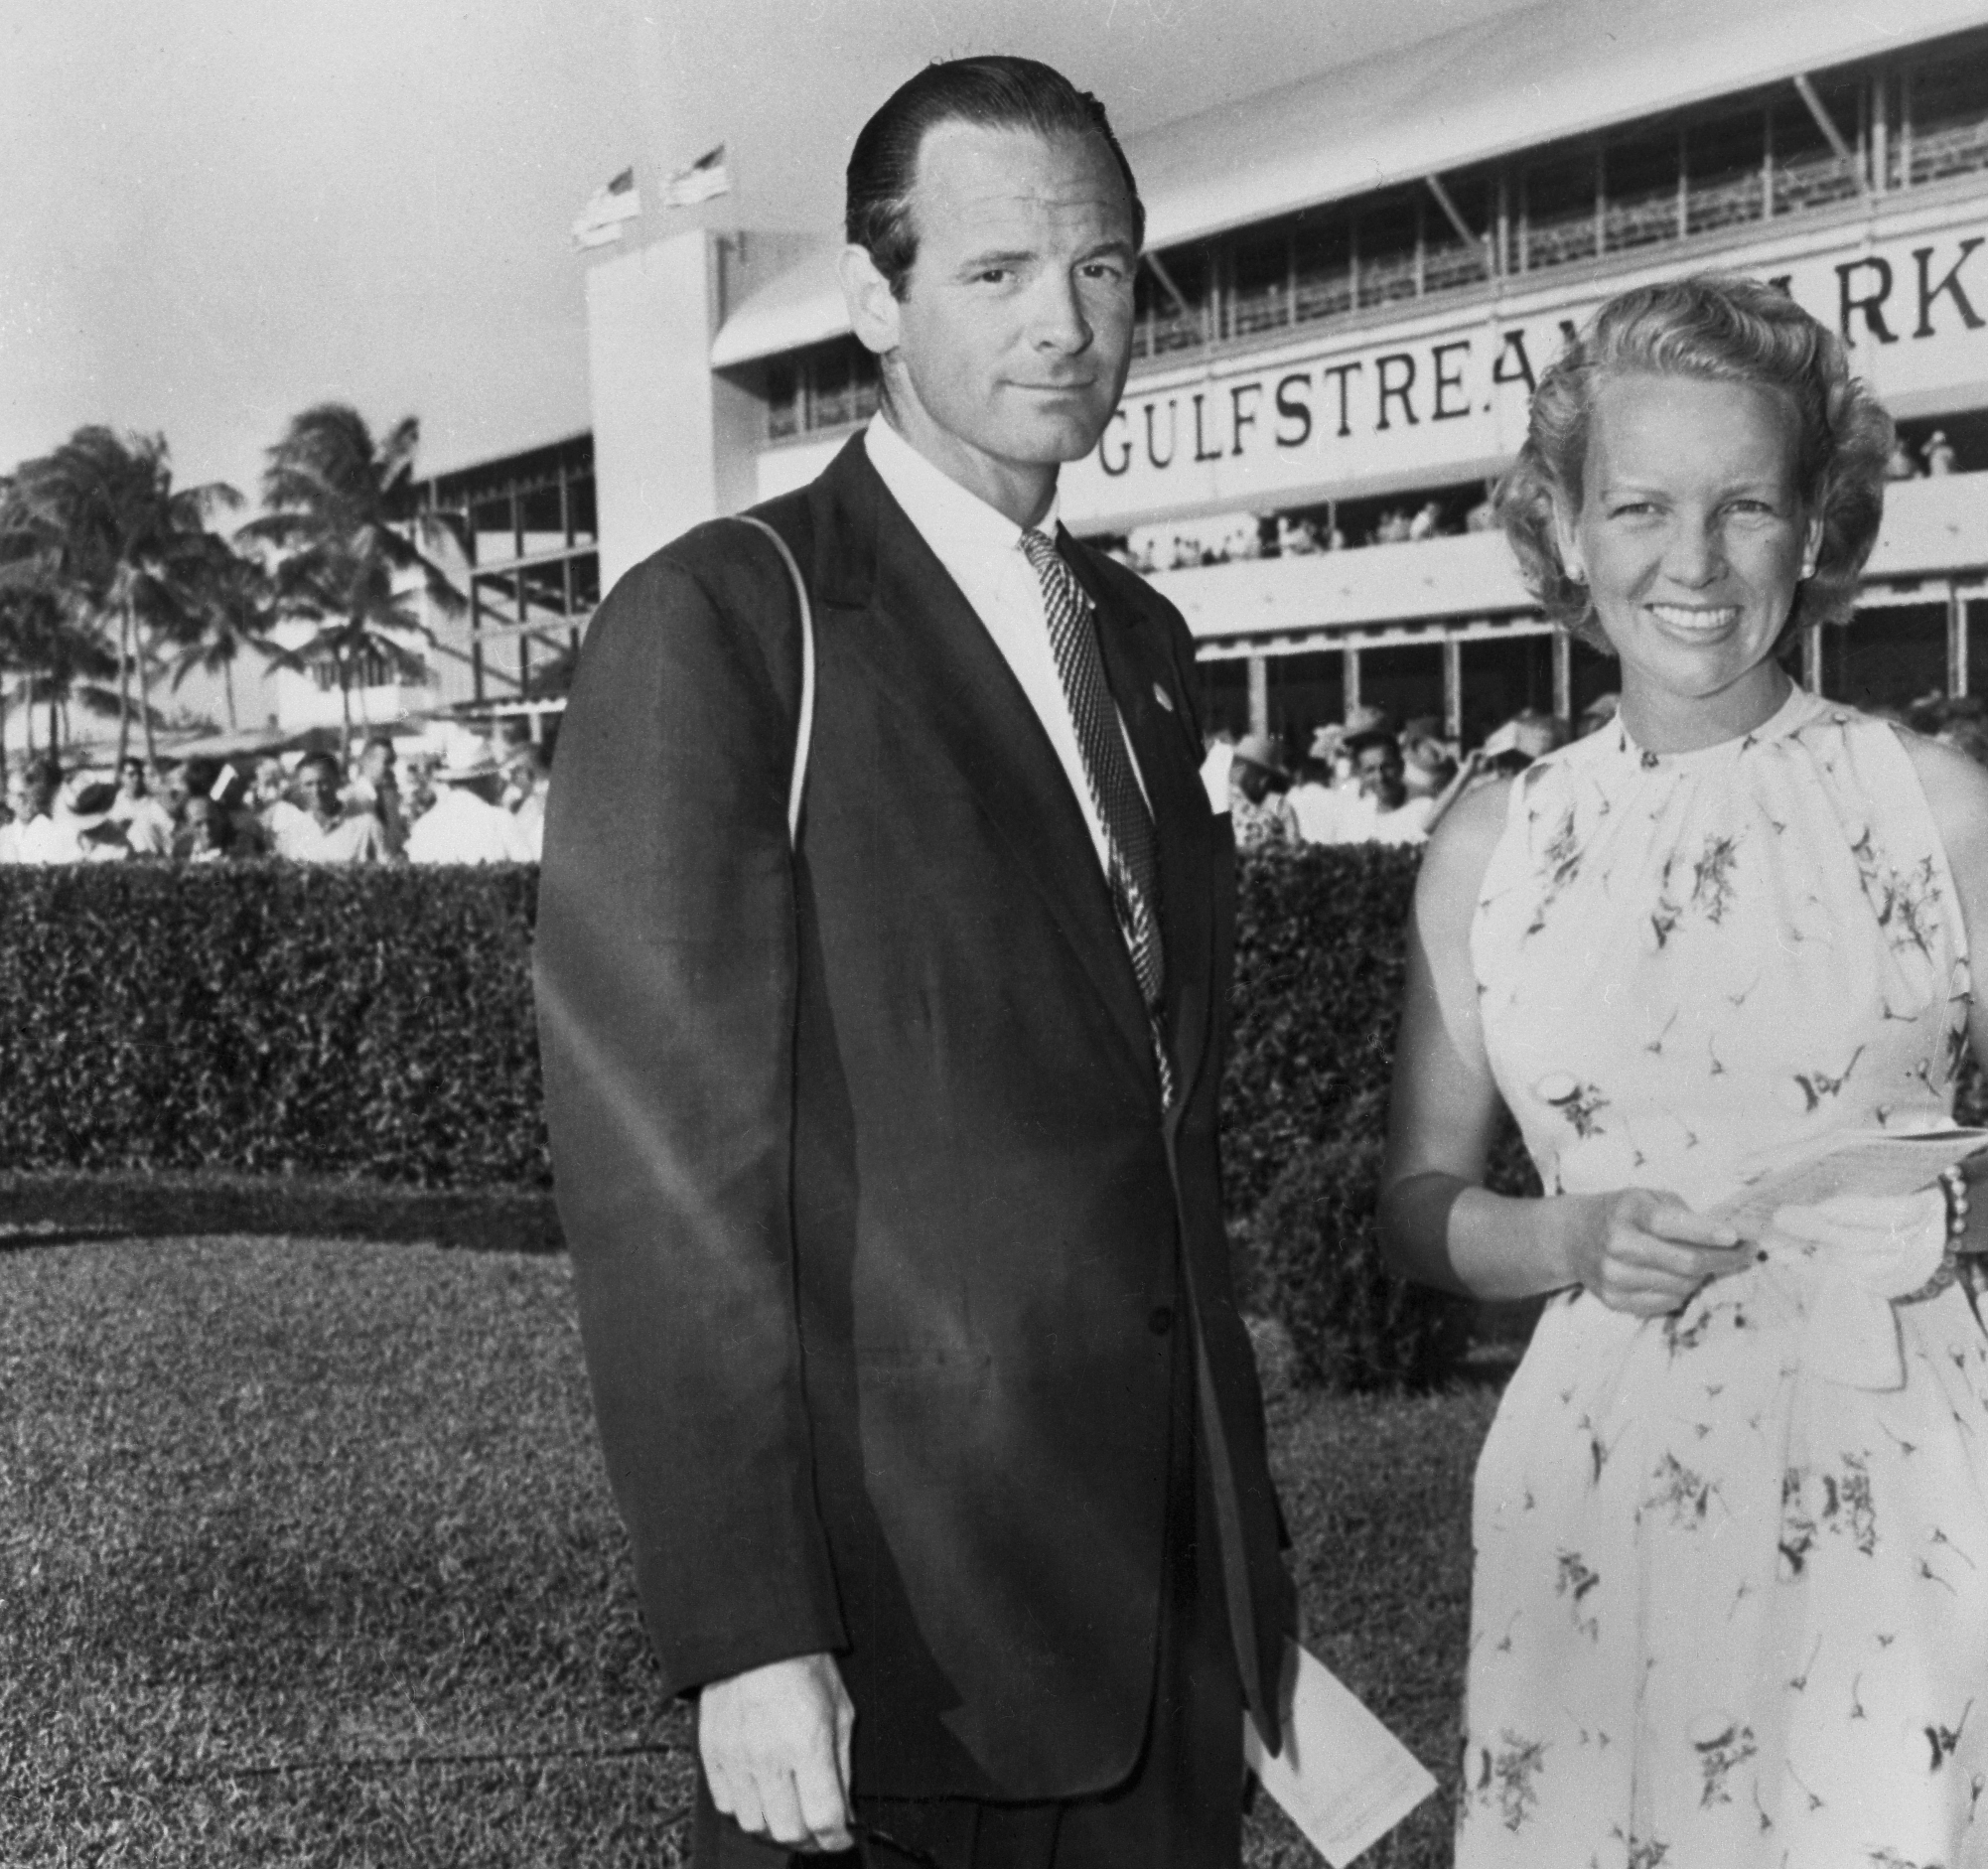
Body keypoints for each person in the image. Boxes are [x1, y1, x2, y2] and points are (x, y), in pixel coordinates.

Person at [533, 57, 1291, 1869]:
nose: (1063, 324)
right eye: (995, 272)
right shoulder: (726, 623)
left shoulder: (1136, 637)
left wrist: (1238, 1566)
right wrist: (746, 1628)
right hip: (898, 1650)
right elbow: (664, 1184)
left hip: (1161, 1624)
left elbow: (1151, 1131)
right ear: (873, 301)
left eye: (1099, 269)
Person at [1379, 274, 1988, 1867]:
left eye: (1745, 506)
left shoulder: (1936, 805)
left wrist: (1971, 1207)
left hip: (1887, 1475)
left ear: (1815, 526)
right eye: (1638, 505)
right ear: (1563, 527)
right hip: (1592, 1489)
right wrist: (1566, 1236)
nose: (1694, 561)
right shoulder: (1493, 841)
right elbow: (1417, 1201)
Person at [404, 752, 529, 864]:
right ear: (484, 781)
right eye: (495, 778)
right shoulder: (500, 820)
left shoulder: (423, 826)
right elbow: (528, 869)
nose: (498, 785)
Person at [273, 753, 390, 863]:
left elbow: (388, 870)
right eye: (308, 784)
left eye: (323, 782)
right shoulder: (293, 833)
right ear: (300, 788)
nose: (316, 790)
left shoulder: (367, 826)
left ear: (337, 781)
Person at [1223, 732, 1299, 849]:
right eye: (1258, 774)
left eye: (1269, 777)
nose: (1264, 782)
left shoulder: (1280, 806)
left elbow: (1294, 847)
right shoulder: (1221, 802)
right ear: (1243, 769)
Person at [0, 760, 80, 864]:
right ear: (8, 799)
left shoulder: (58, 833)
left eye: (31, 795)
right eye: (20, 795)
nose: (25, 802)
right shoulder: (4, 836)